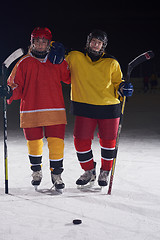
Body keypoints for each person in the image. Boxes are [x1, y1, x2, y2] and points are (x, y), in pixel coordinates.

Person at [3, 27, 70, 190]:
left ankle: (56, 174)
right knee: (34, 144)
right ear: (31, 43)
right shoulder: (23, 62)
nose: (40, 44)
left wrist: (63, 60)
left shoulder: (56, 60)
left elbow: (68, 78)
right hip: (30, 111)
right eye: (37, 41)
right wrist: (9, 91)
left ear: (49, 44)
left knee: (56, 144)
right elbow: (15, 87)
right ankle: (36, 171)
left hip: (55, 111)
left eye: (44, 41)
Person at [64, 29, 133, 187]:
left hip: (109, 107)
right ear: (88, 42)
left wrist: (123, 88)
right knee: (80, 142)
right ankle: (89, 170)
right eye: (93, 41)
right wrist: (54, 47)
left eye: (99, 43)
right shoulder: (75, 56)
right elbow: (59, 66)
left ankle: (105, 171)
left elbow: (118, 83)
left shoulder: (111, 62)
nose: (96, 45)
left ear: (103, 45)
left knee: (108, 142)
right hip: (84, 107)